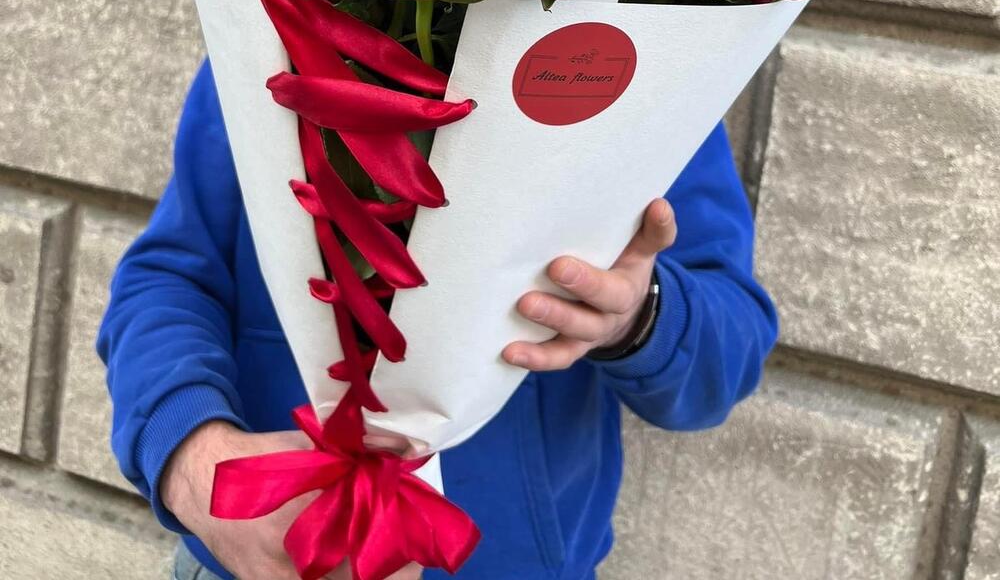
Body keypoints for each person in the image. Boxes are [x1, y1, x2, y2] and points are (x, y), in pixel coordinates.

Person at [99, 61, 777, 580]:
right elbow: (171, 276)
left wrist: (636, 314)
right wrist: (192, 460)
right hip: (254, 563)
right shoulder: (273, 17)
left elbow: (727, 352)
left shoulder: (640, 59)